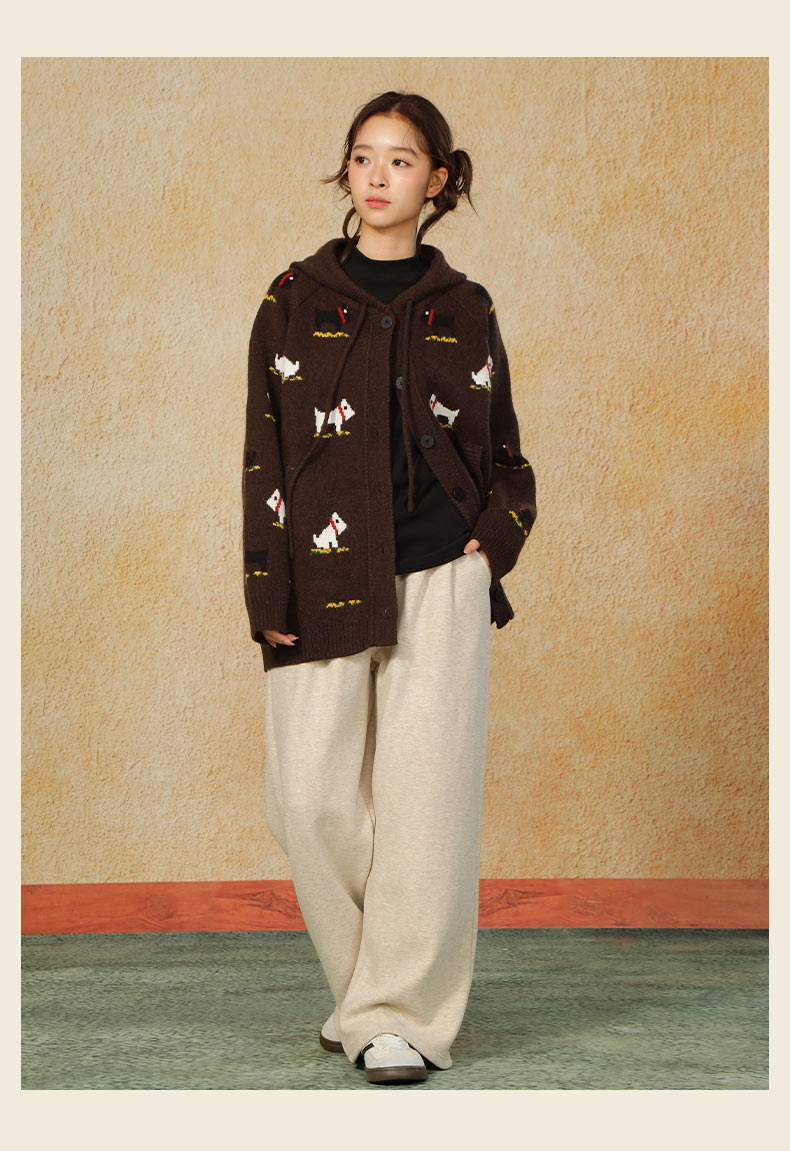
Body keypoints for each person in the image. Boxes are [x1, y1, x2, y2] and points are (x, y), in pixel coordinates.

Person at [242, 90, 537, 1084]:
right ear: (347, 171)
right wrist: (266, 593)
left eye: (401, 160)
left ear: (436, 181)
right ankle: (369, 989)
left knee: (426, 805)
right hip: (321, 576)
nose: (377, 175)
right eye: (363, 156)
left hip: (441, 576)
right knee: (308, 801)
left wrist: (490, 543)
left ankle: (397, 1016)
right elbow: (263, 454)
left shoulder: (467, 306)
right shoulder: (291, 298)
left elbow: (504, 451)